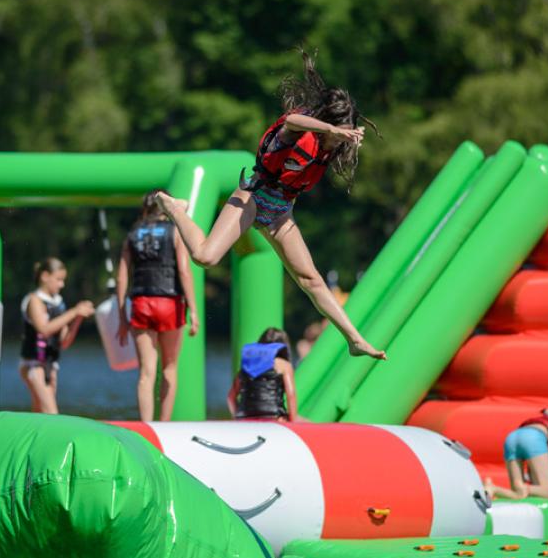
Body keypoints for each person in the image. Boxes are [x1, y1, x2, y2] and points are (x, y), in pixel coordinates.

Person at [153, 49, 386, 361]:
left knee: (311, 280)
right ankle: (175, 209)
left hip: (280, 211)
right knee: (205, 257)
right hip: (252, 195)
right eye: (337, 132)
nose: (341, 139)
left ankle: (355, 340)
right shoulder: (298, 133)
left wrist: (345, 136)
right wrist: (331, 130)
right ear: (327, 125)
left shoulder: (330, 149)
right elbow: (291, 119)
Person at [115, 191, 199, 422]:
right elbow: (183, 270)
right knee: (169, 368)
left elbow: (122, 277)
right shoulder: (175, 233)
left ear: (144, 210)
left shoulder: (132, 235)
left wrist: (123, 317)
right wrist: (194, 310)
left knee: (146, 372)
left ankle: (146, 425)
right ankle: (164, 425)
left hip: (141, 303)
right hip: (170, 303)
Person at [20, 258, 95, 414]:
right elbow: (44, 330)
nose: (62, 285)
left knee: (39, 413)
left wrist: (78, 318)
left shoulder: (58, 303)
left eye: (63, 280)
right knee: (51, 413)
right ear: (45, 276)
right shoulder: (35, 301)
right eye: (59, 280)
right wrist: (73, 312)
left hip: (50, 366)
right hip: (33, 365)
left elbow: (64, 342)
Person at [227, 328, 300, 422]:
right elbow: (291, 396)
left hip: (246, 420)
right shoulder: (283, 365)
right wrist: (293, 423)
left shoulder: (247, 366)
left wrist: (237, 417)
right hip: (274, 418)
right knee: (305, 421)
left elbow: (231, 397)